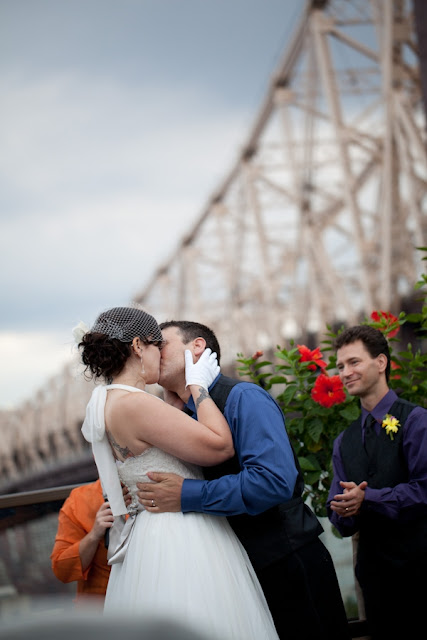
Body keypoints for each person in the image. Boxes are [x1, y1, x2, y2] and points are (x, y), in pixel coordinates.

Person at [136, 320, 350, 640]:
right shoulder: (178, 417)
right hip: (235, 574)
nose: (152, 351)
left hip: (286, 563)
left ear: (196, 347)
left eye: (161, 343)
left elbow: (273, 481)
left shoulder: (244, 397)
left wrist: (187, 494)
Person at [78, 306, 279, 639]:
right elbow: (219, 447)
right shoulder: (136, 403)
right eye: (159, 346)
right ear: (140, 346)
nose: (162, 355)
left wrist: (172, 402)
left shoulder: (107, 401)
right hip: (181, 535)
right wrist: (198, 388)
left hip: (149, 538)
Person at [327, 325, 427, 640]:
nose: (345, 373)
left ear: (381, 363)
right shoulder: (344, 442)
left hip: (420, 573)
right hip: (376, 583)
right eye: (340, 366)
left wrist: (368, 499)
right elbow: (337, 519)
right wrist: (343, 510)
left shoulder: (415, 420)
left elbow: (424, 489)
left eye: (354, 362)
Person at [51, 479, 111, 604]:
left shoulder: (160, 491)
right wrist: (94, 535)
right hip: (101, 612)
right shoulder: (79, 500)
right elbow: (62, 570)